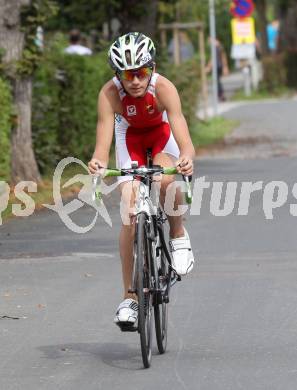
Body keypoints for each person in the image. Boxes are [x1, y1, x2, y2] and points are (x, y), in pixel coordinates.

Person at [88, 32, 195, 328]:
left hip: (161, 137)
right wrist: (98, 161)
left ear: (152, 68)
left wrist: (185, 156)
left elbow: (182, 134)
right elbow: (103, 141)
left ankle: (177, 235)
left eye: (141, 72)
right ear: (117, 74)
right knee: (129, 210)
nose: (135, 80)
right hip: (130, 138)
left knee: (163, 179)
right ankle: (130, 298)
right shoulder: (109, 94)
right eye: (127, 74)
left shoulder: (164, 88)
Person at [205, 37, 229, 102]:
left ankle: (221, 95)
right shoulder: (219, 46)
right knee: (217, 81)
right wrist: (225, 66)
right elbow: (223, 56)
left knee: (217, 81)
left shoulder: (215, 47)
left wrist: (208, 67)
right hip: (219, 65)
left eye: (209, 41)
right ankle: (221, 95)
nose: (209, 43)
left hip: (217, 66)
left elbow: (213, 58)